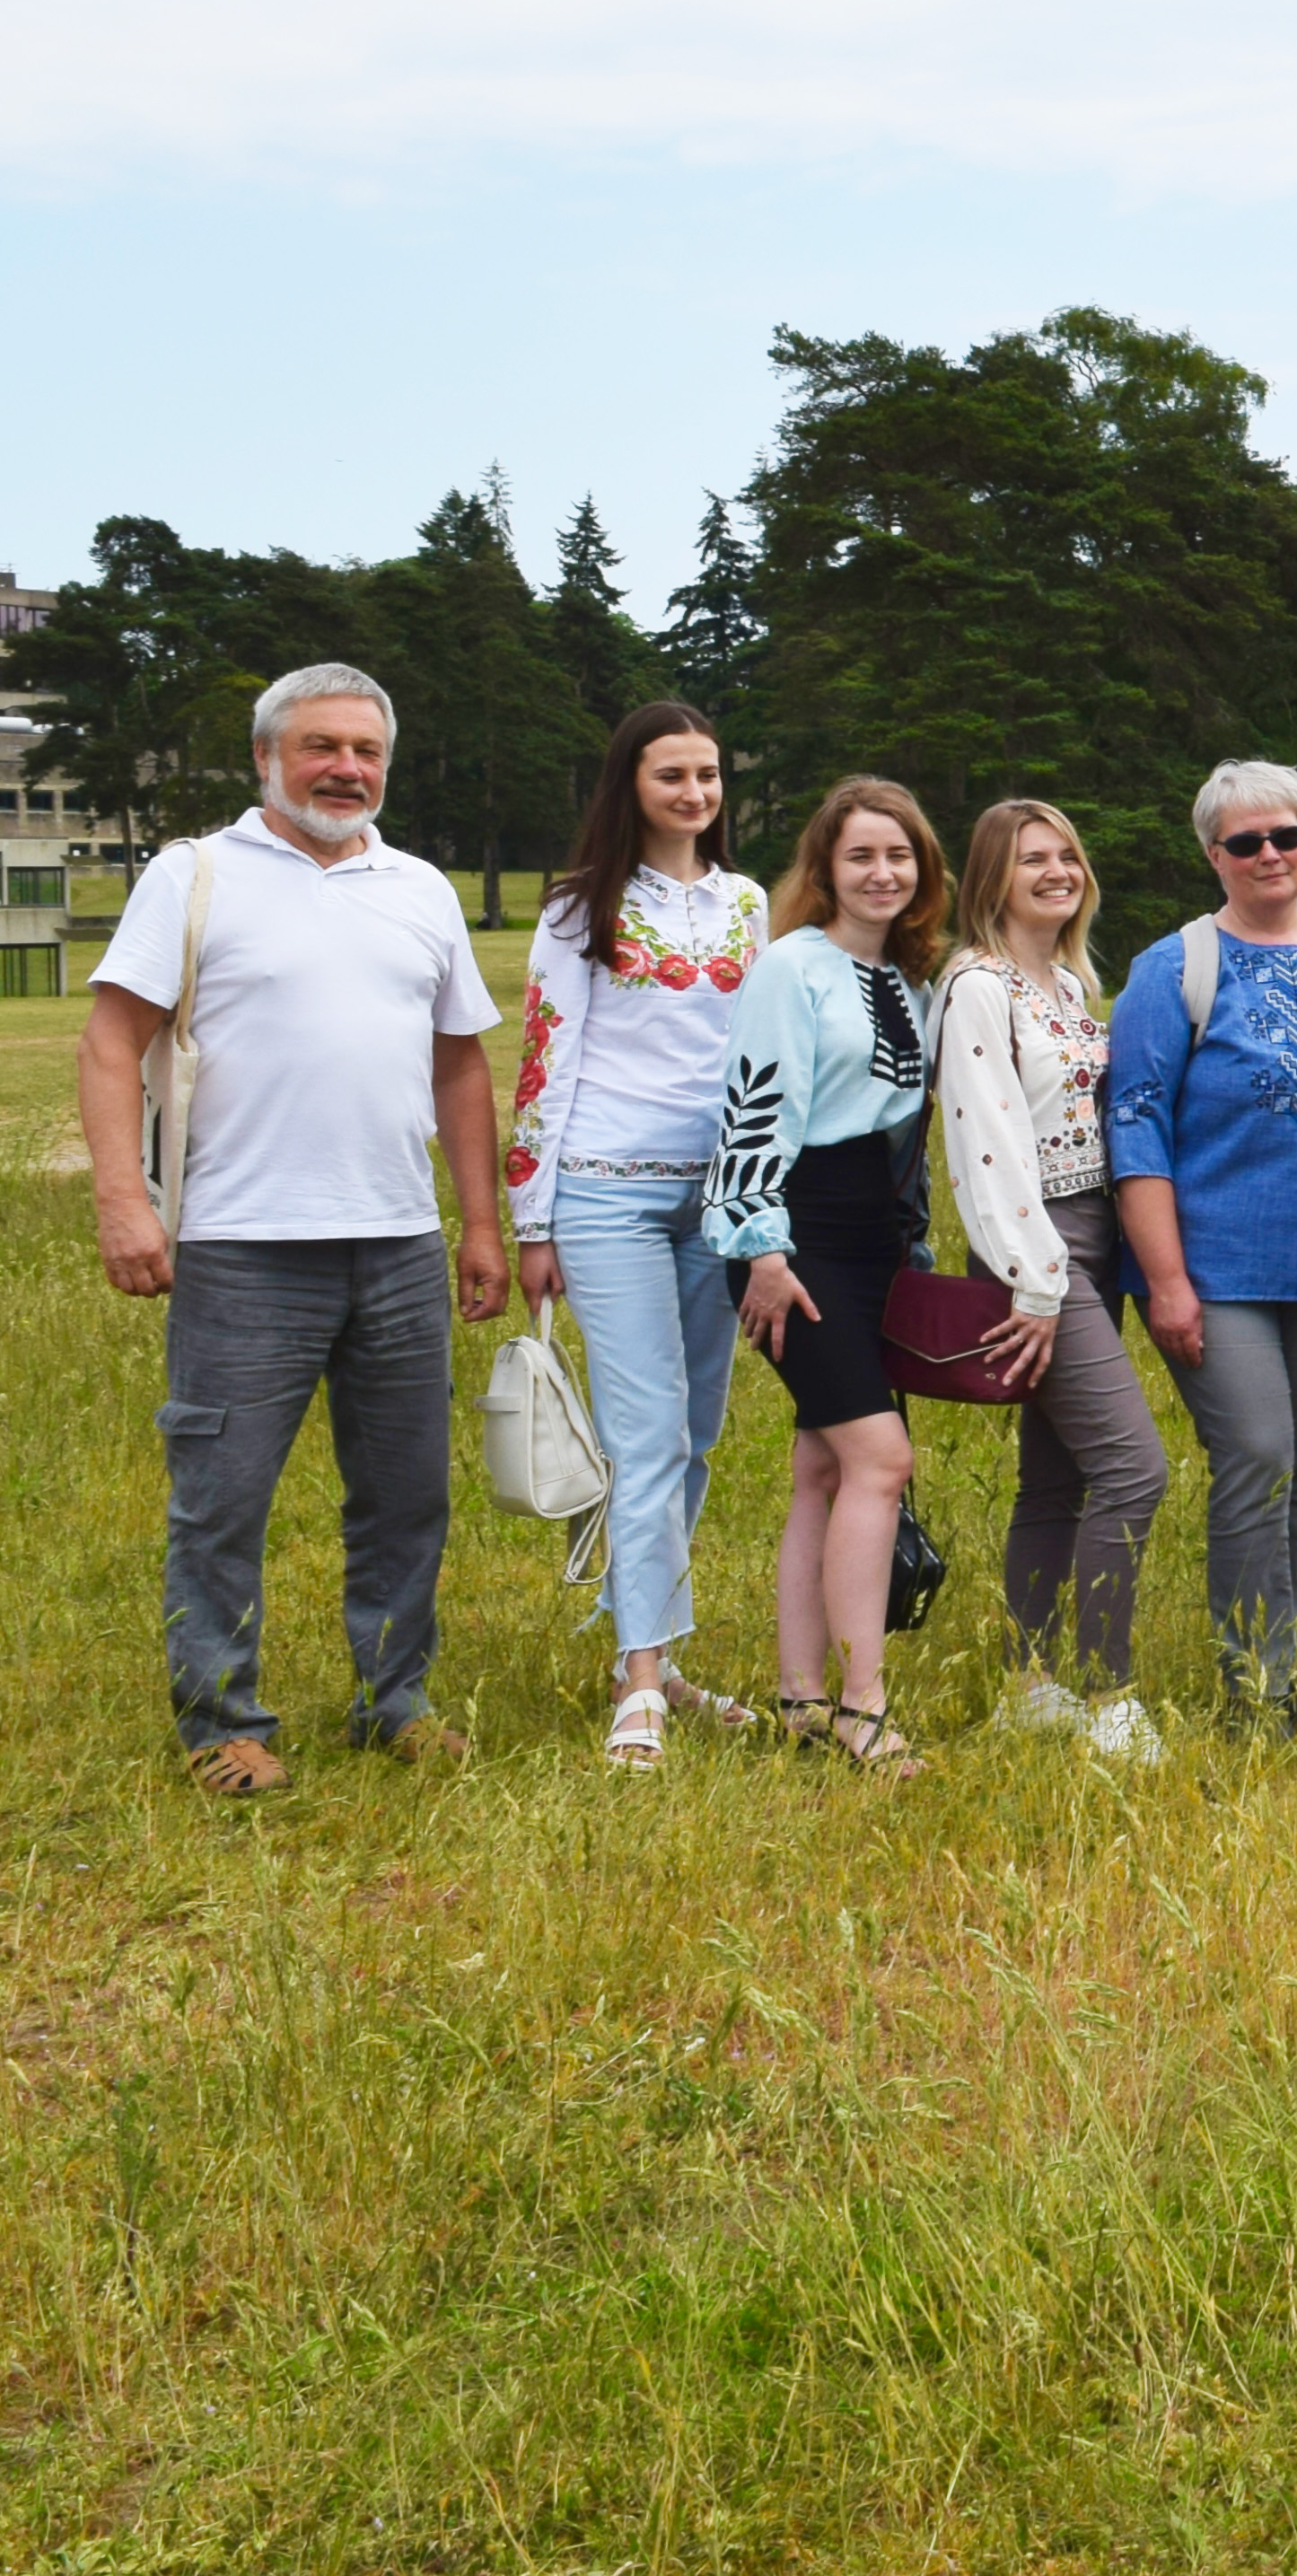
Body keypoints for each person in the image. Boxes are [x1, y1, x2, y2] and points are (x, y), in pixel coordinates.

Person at [81, 662, 506, 1794]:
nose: (346, 769)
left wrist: (477, 1224)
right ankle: (222, 1719)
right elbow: (112, 1041)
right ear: (265, 758)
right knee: (222, 1496)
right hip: (241, 1243)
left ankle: (392, 1703)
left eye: (366, 751)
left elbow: (460, 1064)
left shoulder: (417, 887)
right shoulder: (197, 876)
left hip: (399, 1242)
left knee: (407, 1493)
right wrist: (126, 1200)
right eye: (321, 746)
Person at [1107, 760, 1297, 1739]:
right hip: (1211, 1272)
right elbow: (1136, 1128)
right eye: (1246, 842)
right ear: (1213, 854)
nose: (1271, 854)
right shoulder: (1174, 970)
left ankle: (1272, 1675)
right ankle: (1256, 1693)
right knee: (1257, 1454)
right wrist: (1164, 1282)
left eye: (1287, 835)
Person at [507, 700, 770, 1769]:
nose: (695, 794)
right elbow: (544, 1058)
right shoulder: (582, 905)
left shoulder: (750, 904)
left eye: (708, 775)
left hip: (721, 1200)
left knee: (695, 1429)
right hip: (606, 1192)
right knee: (645, 1429)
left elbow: (761, 1055)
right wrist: (534, 1220)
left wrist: (764, 1200)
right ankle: (646, 1684)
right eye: (673, 776)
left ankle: (645, 1654)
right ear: (631, 785)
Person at [704, 775, 951, 1780]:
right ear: (825, 869)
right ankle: (865, 1707)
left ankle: (799, 1696)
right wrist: (761, 1248)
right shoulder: (791, 968)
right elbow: (750, 1109)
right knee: (880, 1461)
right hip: (793, 1239)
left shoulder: (910, 976)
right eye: (860, 856)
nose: (882, 873)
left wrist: (919, 1246)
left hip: (878, 1241)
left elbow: (906, 1132)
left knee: (824, 1468)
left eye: (899, 856)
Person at [933, 797, 1170, 1764]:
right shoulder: (977, 985)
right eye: (1033, 858)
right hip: (1038, 1248)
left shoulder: (1069, 981)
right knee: (1133, 1465)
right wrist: (1033, 1282)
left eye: (1068, 854)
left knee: (1058, 1476)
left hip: (1097, 1235)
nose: (1057, 872)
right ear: (993, 874)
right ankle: (1110, 1697)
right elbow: (985, 1145)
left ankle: (1028, 1685)